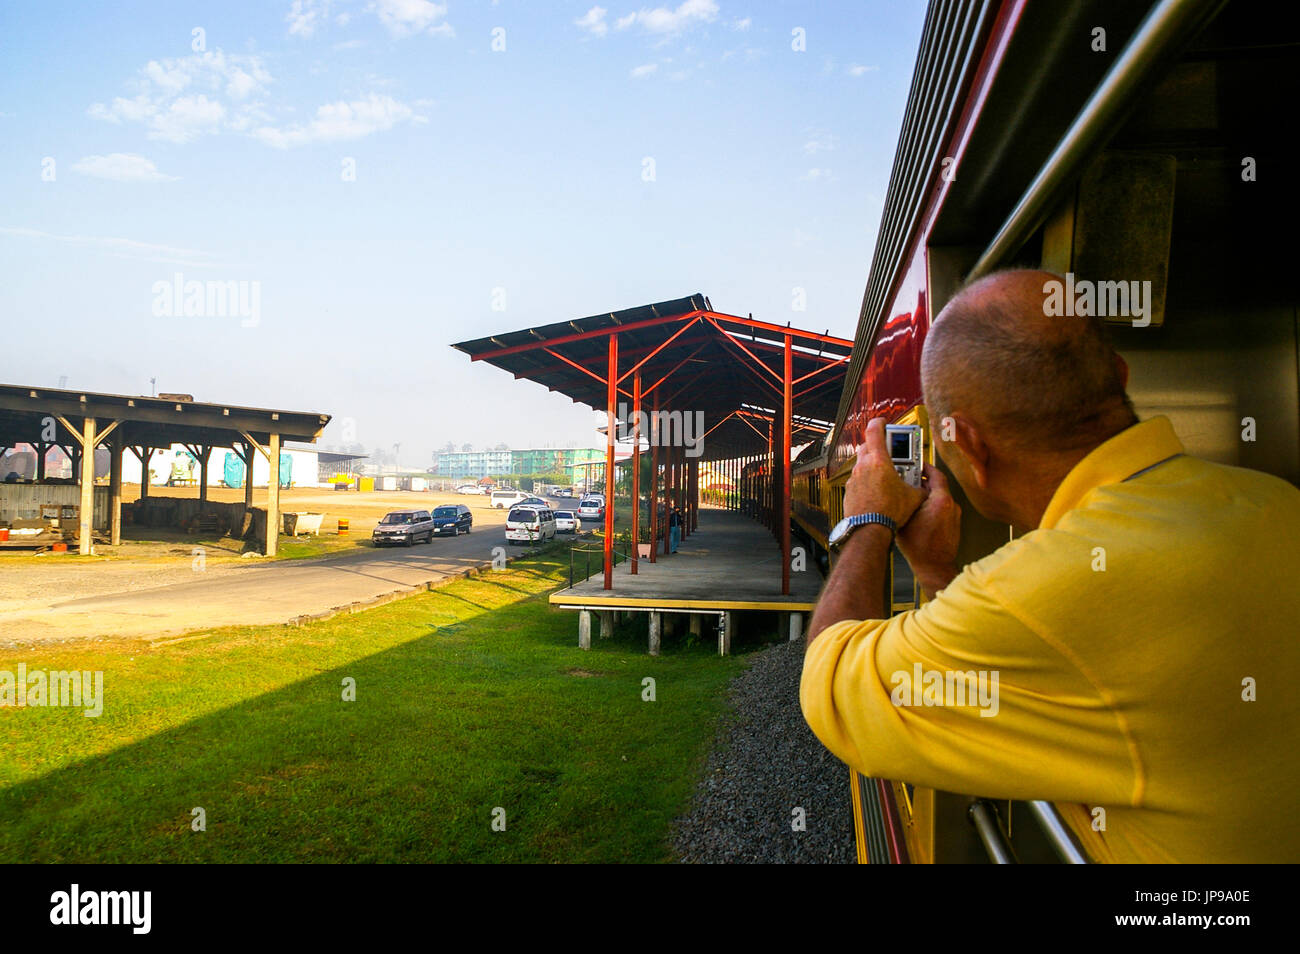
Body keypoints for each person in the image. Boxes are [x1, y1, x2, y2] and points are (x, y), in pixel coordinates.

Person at [800, 268, 1300, 863]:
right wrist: (939, 579)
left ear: (975, 451)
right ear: (1119, 377)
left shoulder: (1036, 589)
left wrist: (866, 522)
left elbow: (830, 682)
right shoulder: (1276, 502)